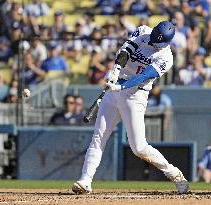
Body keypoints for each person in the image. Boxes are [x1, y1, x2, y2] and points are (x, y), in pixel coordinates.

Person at [72, 21, 189, 194]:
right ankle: (85, 180)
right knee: (98, 137)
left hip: (135, 95)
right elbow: (126, 50)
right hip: (114, 90)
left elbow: (144, 76)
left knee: (139, 147)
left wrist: (120, 86)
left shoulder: (166, 57)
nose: (153, 42)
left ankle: (175, 174)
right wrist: (116, 69)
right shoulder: (142, 31)